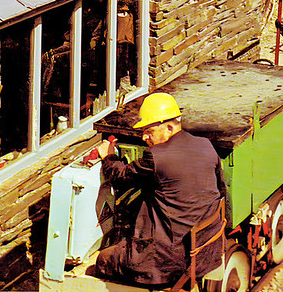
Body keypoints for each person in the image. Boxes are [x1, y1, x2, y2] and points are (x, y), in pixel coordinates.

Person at [94, 93, 225, 286]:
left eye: (149, 131)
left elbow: (121, 177)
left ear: (169, 128)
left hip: (167, 263)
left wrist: (109, 157)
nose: (144, 137)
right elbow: (221, 191)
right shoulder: (205, 145)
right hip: (205, 251)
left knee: (103, 260)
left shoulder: (155, 156)